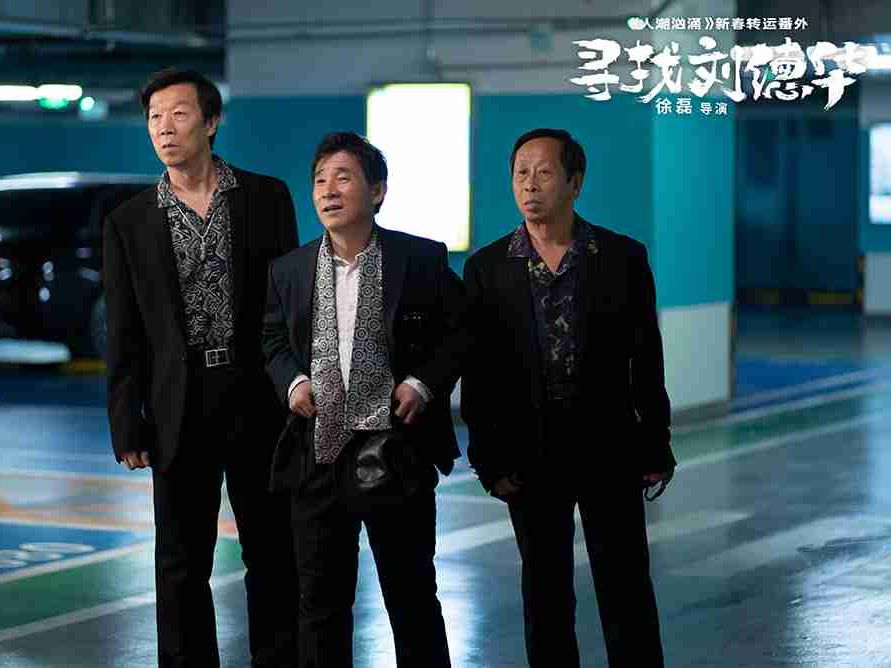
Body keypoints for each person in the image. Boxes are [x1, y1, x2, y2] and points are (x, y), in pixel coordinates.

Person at [103, 67, 299, 667]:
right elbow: (123, 330)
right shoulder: (128, 221)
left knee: (272, 551)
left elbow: (289, 308)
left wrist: (296, 387)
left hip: (257, 398)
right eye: (154, 117)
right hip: (177, 405)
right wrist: (126, 422)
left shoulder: (265, 198)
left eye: (179, 114)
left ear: (211, 123)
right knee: (180, 562)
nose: (164, 128)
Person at [461, 128, 675, 667]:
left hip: (609, 445)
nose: (529, 184)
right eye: (520, 173)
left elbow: (646, 357)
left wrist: (656, 441)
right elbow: (479, 373)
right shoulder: (487, 269)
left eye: (544, 172)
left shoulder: (621, 258)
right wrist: (489, 459)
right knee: (545, 593)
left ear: (575, 183)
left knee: (626, 587)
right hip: (530, 452)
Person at [261, 132, 466, 667]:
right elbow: (273, 341)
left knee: (411, 596)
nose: (328, 190)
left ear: (377, 191)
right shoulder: (289, 270)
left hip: (396, 454)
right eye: (319, 180)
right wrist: (293, 383)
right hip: (318, 457)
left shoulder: (420, 259)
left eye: (343, 178)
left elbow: (459, 333)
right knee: (320, 604)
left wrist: (422, 383)